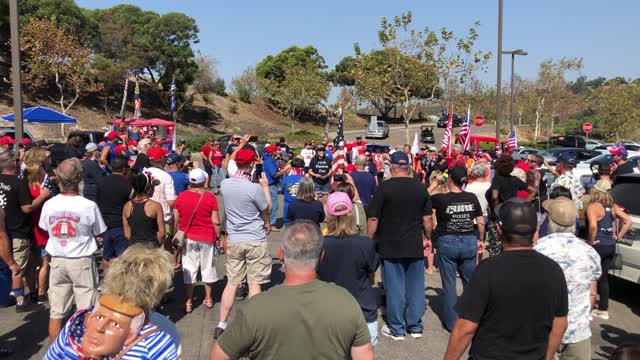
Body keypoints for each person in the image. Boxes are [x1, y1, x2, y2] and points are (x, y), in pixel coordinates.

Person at [210, 221, 374, 359]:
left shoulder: (255, 309)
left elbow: (219, 355)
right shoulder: (346, 303)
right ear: (322, 255)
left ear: (281, 254)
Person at [443, 198, 569, 360]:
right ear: (536, 230)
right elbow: (560, 325)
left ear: (499, 230)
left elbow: (466, 327)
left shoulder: (488, 269)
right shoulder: (554, 270)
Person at [44, 245, 178, 359]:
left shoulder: (77, 320)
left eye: (115, 324)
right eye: (100, 317)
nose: (99, 328)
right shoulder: (155, 343)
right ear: (156, 291)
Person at [38, 158, 107, 342]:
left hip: (58, 260)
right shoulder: (88, 205)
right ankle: (84, 350)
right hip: (82, 260)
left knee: (57, 311)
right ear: (79, 177)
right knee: (87, 310)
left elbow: (44, 226)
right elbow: (99, 231)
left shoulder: (49, 204)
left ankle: (55, 350)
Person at [367, 151, 433, 340]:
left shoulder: (385, 188)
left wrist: (369, 239)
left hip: (390, 243)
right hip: (414, 243)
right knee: (416, 287)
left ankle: (397, 328)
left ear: (393, 167)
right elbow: (427, 218)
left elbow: (373, 217)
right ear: (408, 166)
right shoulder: (421, 188)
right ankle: (415, 326)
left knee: (395, 287)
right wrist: (428, 237)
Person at [535, 195, 601, 359]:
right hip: (578, 331)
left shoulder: (538, 249)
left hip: (544, 329)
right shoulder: (589, 252)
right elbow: (592, 293)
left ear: (549, 220)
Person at [216, 146, 272, 339]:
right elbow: (268, 208)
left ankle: (221, 323)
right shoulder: (254, 187)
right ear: (251, 164)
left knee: (232, 283)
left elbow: (228, 161)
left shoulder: (225, 184)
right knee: (255, 284)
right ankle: (253, 326)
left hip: (235, 238)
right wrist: (265, 187)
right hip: (254, 237)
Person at [318, 192, 380, 345]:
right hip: (361, 311)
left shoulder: (319, 245)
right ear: (352, 214)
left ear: (328, 216)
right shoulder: (365, 244)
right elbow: (371, 277)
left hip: (328, 313)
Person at [431, 166, 484, 332]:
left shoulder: (440, 198)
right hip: (469, 239)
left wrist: (435, 183)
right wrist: (481, 239)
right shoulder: (471, 197)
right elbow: (480, 221)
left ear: (450, 179)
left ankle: (452, 323)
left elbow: (421, 197)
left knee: (449, 285)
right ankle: (473, 320)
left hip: (447, 241)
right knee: (470, 282)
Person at [0, 151, 49, 313]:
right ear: (14, 164)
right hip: (18, 231)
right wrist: (42, 196)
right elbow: (27, 208)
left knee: (6, 267)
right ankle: (21, 301)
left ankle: (6, 297)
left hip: (4, 230)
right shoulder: (18, 182)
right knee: (17, 268)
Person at [174, 168, 221, 314]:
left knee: (189, 268)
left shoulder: (181, 196)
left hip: (188, 237)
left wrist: (178, 231)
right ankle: (208, 298)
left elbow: (176, 219)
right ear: (203, 181)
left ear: (190, 181)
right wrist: (218, 237)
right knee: (207, 267)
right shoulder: (210, 197)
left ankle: (188, 301)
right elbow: (216, 221)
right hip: (207, 236)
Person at [586, 180, 631, 321]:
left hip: (598, 245)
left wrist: (590, 241)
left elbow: (593, 226)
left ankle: (589, 309)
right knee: (604, 278)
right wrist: (617, 236)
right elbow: (628, 221)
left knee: (591, 277)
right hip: (610, 245)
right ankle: (603, 309)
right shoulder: (612, 206)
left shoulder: (593, 206)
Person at [22, 146, 53, 303]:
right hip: (40, 226)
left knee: (31, 262)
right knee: (43, 262)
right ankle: (41, 293)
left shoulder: (22, 180)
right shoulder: (44, 182)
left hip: (27, 225)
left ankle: (34, 291)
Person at [96, 157, 130, 269]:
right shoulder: (127, 184)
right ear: (124, 169)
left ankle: (107, 282)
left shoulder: (101, 182)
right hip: (121, 225)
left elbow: (97, 202)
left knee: (106, 256)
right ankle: (122, 284)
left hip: (105, 225)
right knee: (123, 258)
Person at [147, 146, 177, 256]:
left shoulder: (144, 173)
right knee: (164, 252)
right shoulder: (166, 176)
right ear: (162, 159)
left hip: (146, 217)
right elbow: (171, 202)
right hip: (163, 219)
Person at [123, 171, 166, 248]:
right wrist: (154, 246)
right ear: (148, 187)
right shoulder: (156, 206)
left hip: (133, 250)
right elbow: (162, 233)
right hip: (151, 249)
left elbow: (127, 234)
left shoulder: (126, 206)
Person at [263, 144, 288, 231]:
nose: (278, 152)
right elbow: (274, 174)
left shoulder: (269, 159)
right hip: (270, 185)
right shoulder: (269, 161)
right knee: (273, 206)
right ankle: (272, 224)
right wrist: (285, 170)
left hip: (269, 185)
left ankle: (267, 222)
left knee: (268, 205)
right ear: (273, 151)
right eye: (276, 150)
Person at [280, 157, 306, 225]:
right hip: (301, 206)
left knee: (288, 225)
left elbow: (282, 190)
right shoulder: (305, 179)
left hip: (288, 205)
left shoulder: (287, 178)